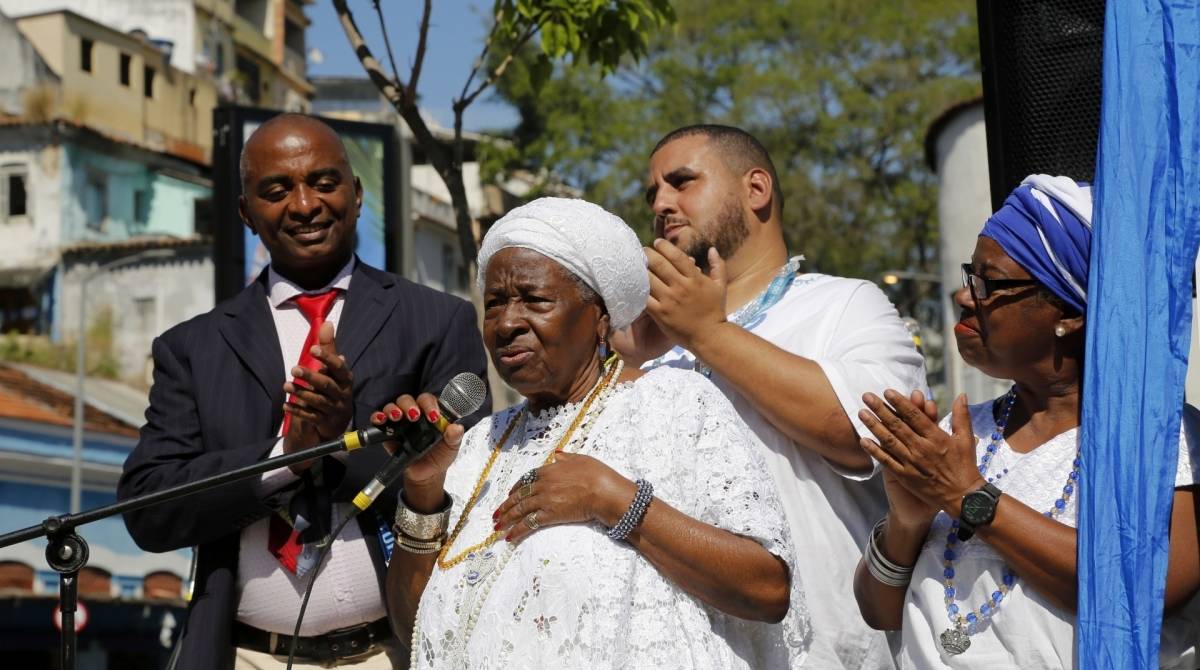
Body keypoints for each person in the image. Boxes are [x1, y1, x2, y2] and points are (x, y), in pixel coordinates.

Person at [118, 114, 490, 669]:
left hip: (393, 653)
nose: (305, 204)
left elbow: (477, 487)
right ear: (246, 213)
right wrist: (285, 458)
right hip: (248, 656)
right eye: (276, 190)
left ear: (357, 194)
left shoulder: (438, 321)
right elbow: (150, 509)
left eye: (323, 182)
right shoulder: (193, 349)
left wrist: (346, 436)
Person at [378, 197, 810, 669]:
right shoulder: (479, 445)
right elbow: (414, 630)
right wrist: (421, 491)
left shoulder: (674, 403)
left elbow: (767, 589)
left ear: (600, 317)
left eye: (535, 300)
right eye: (494, 303)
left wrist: (613, 499)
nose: (506, 323)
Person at [852, 175, 1200, 667]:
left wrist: (968, 498)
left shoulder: (1164, 439)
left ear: (1070, 313)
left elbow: (1149, 589)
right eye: (970, 274)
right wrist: (906, 522)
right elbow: (877, 611)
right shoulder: (955, 440)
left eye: (989, 282)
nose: (964, 297)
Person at [614, 124, 927, 668]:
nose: (661, 203)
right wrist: (627, 360)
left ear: (755, 190)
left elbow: (870, 436)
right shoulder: (651, 351)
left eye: (682, 182)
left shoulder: (844, 304)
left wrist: (708, 335)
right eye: (652, 194)